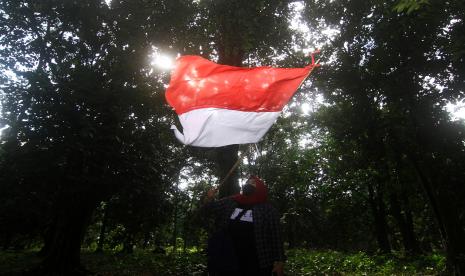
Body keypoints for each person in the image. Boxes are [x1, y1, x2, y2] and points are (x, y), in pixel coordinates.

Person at [203, 176, 285, 276]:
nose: (248, 184)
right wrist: (209, 198)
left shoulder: (268, 209)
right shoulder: (231, 201)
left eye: (253, 183)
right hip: (228, 258)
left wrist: (280, 261)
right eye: (248, 182)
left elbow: (276, 236)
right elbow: (209, 209)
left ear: (260, 188)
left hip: (258, 261)